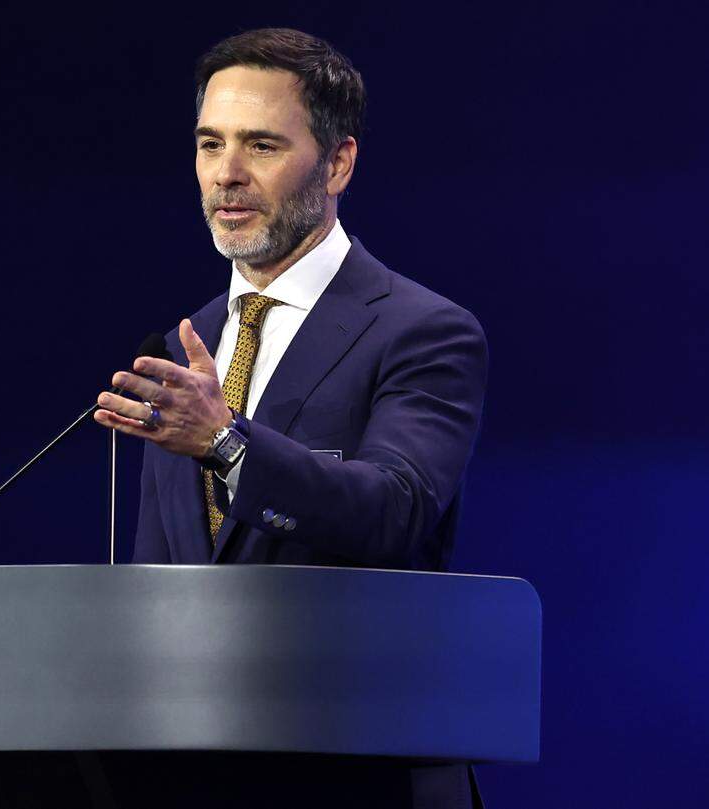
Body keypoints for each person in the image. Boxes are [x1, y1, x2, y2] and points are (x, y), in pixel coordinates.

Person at [92, 28, 489, 807]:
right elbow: (159, 569)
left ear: (337, 162)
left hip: (358, 772)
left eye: (262, 146)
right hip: (198, 778)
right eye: (211, 144)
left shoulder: (422, 330)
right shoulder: (185, 342)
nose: (227, 176)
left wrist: (224, 442)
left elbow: (393, 508)